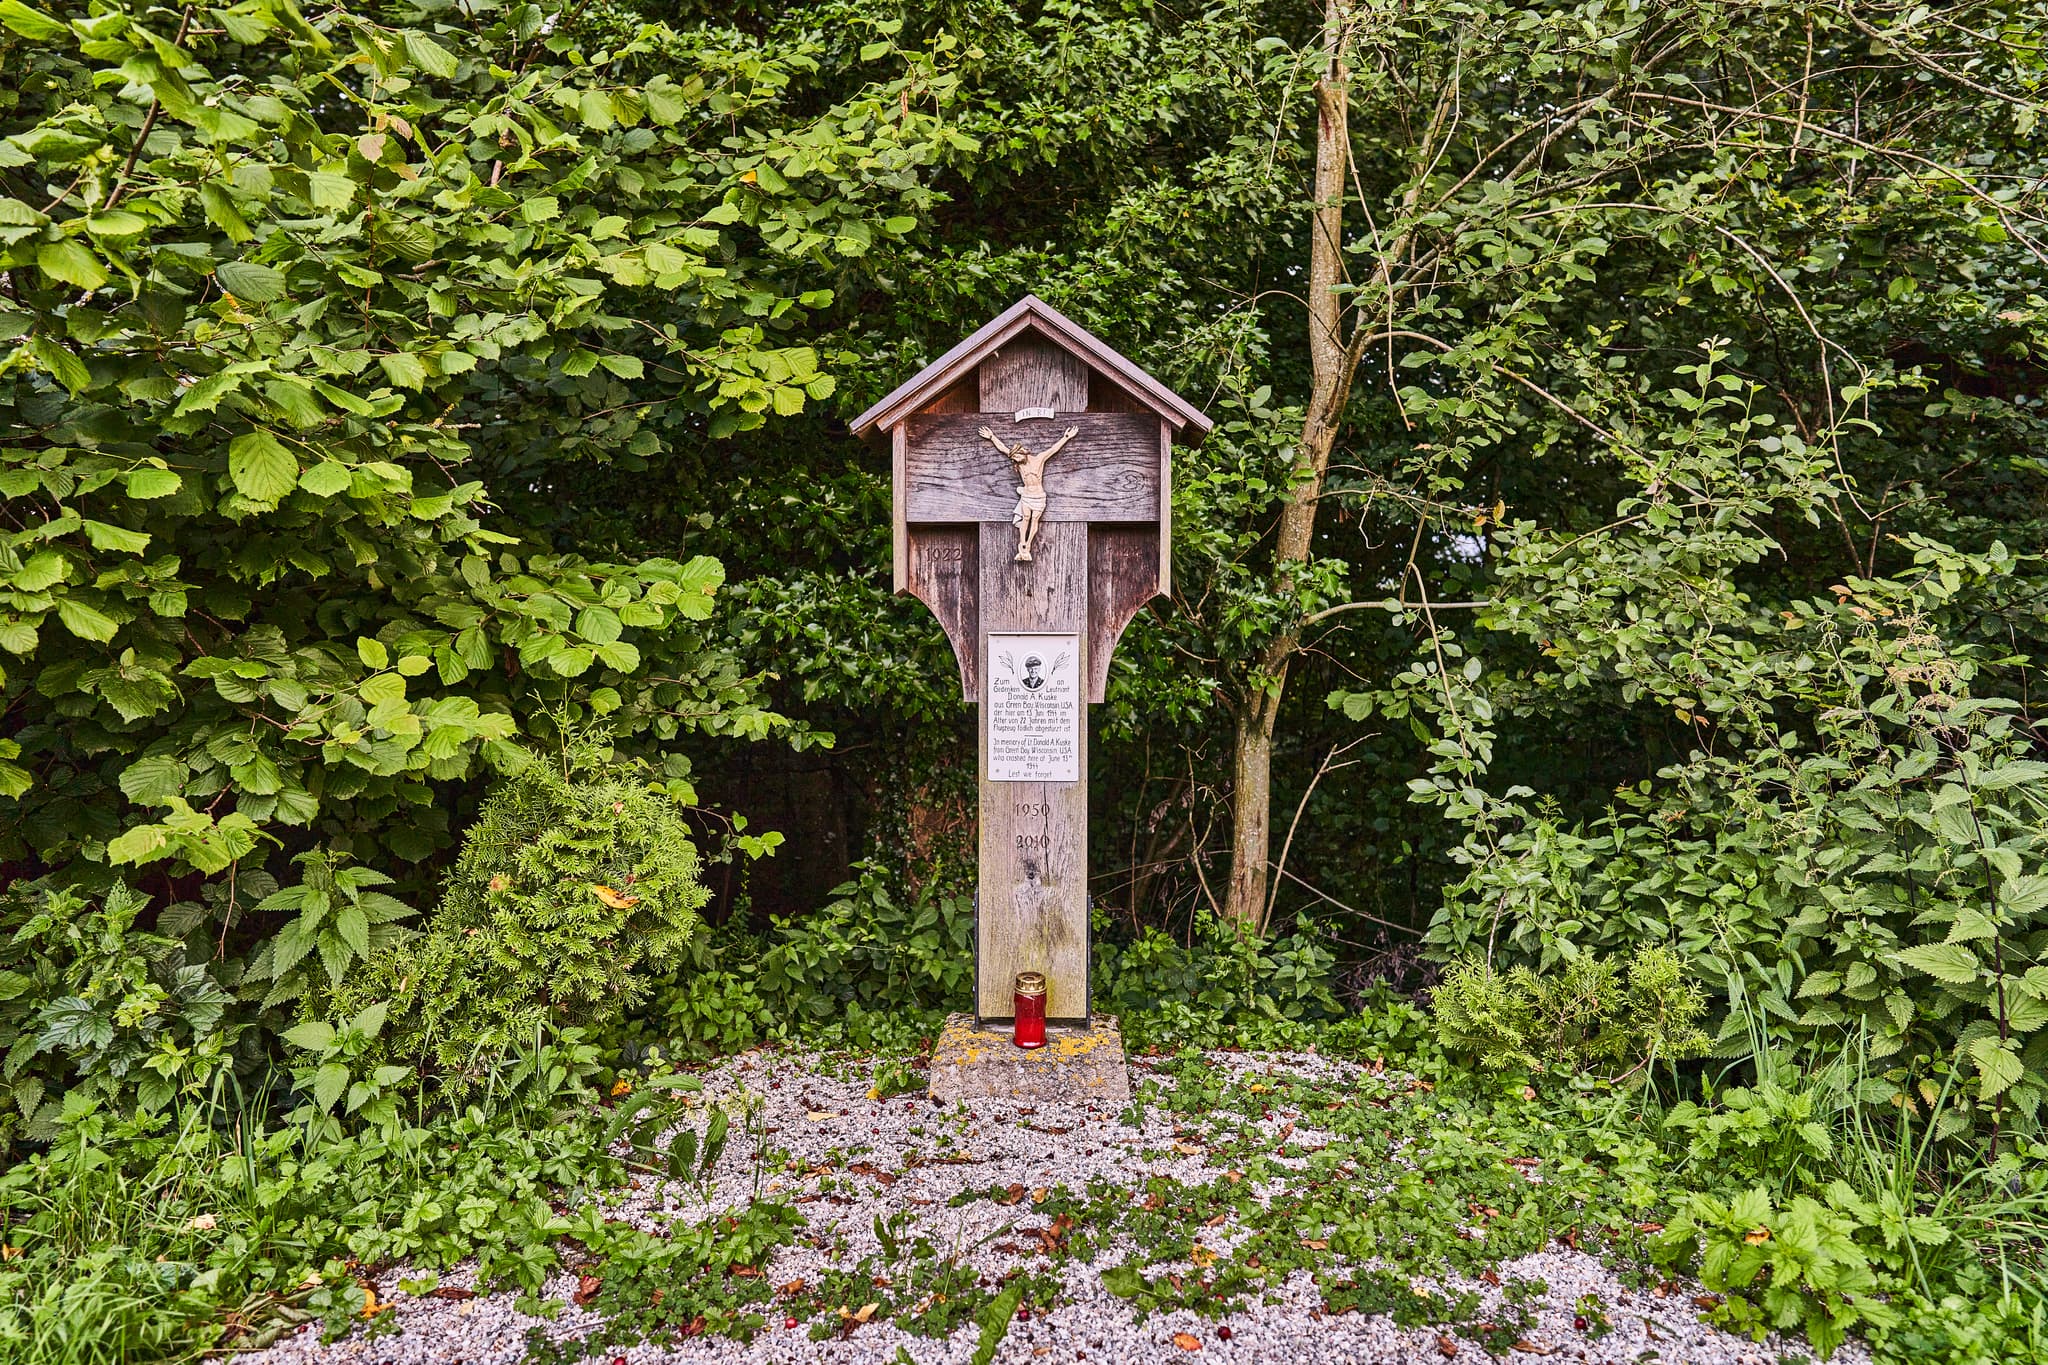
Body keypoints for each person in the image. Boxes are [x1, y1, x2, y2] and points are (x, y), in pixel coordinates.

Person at [979, 424, 1078, 562]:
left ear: (1022, 452)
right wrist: (992, 437)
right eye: (1014, 459)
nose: (1016, 461)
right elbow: (1002, 448)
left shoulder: (1039, 459)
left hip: (1038, 496)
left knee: (1034, 519)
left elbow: (1054, 449)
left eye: (1017, 458)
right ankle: (1022, 544)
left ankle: (1028, 544)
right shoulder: (1018, 463)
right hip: (1026, 495)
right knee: (1025, 517)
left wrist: (1066, 437)